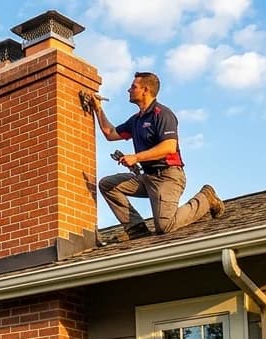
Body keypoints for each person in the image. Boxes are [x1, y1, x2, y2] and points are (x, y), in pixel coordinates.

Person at [83, 72, 224, 243]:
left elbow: (169, 147)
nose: (129, 90)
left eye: (133, 87)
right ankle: (136, 228)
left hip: (168, 177)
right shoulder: (136, 120)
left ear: (145, 90)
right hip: (148, 178)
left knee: (165, 226)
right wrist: (98, 109)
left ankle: (205, 198)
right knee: (108, 184)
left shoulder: (162, 114)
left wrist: (136, 157)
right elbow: (110, 133)